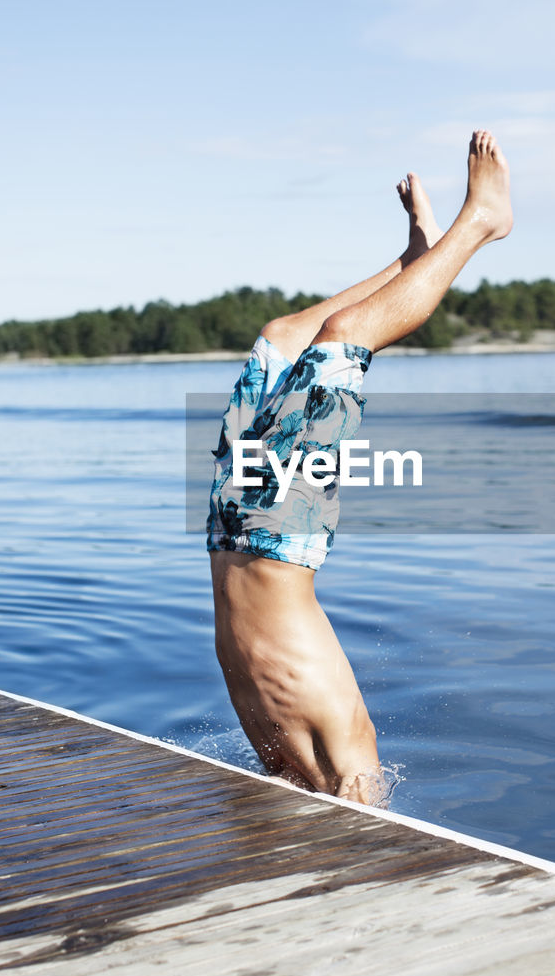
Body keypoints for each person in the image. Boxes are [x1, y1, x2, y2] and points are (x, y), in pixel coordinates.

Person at [208, 130, 512, 804]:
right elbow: (363, 795)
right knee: (344, 339)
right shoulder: (353, 772)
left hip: (236, 532)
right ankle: (474, 228)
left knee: (281, 337)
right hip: (278, 534)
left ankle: (419, 256)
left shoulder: (289, 776)